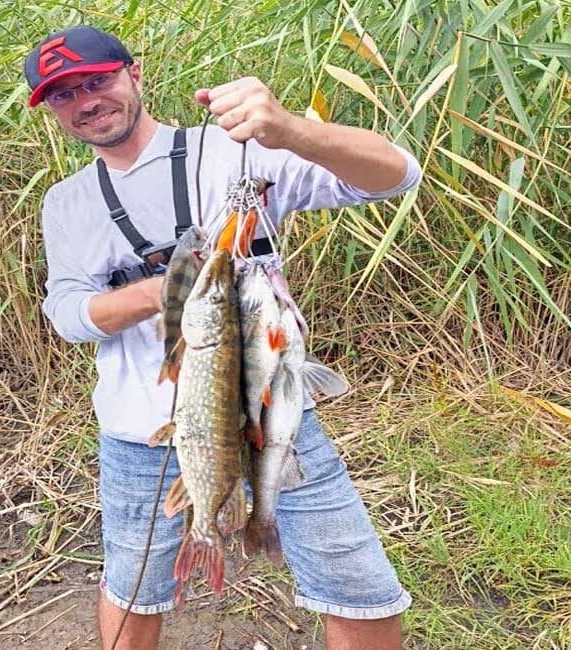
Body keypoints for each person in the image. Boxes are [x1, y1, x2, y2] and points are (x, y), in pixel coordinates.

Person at [24, 24, 421, 650]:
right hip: (142, 436)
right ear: (51, 109)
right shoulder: (67, 203)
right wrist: (166, 292)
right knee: (132, 592)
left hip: (276, 424)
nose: (86, 102)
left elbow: (394, 175)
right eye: (63, 94)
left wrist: (289, 129)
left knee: (359, 589)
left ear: (134, 73)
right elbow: (68, 314)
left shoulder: (236, 149)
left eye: (97, 81)